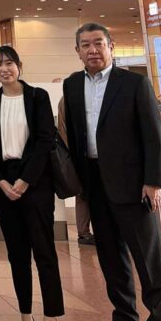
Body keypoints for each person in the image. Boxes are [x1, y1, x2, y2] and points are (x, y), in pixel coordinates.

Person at [63, 22, 161, 321]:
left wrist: (154, 181)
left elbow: (154, 134)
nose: (92, 50)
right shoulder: (72, 85)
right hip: (94, 184)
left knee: (149, 260)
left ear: (111, 47)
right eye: (85, 45)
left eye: (98, 43)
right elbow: (75, 135)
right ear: (77, 51)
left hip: (134, 185)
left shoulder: (134, 83)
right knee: (111, 258)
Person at [0, 45, 64, 321]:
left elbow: (44, 140)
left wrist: (25, 180)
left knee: (44, 252)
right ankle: (26, 317)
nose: (4, 69)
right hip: (3, 185)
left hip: (36, 183)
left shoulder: (38, 96)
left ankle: (52, 319)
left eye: (9, 63)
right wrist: (0, 181)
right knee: (17, 255)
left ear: (19, 66)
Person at [57, 95, 94, 245]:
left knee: (82, 195)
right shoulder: (72, 98)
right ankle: (85, 233)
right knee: (85, 194)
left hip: (75, 155)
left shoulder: (64, 99)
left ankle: (84, 233)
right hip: (82, 155)